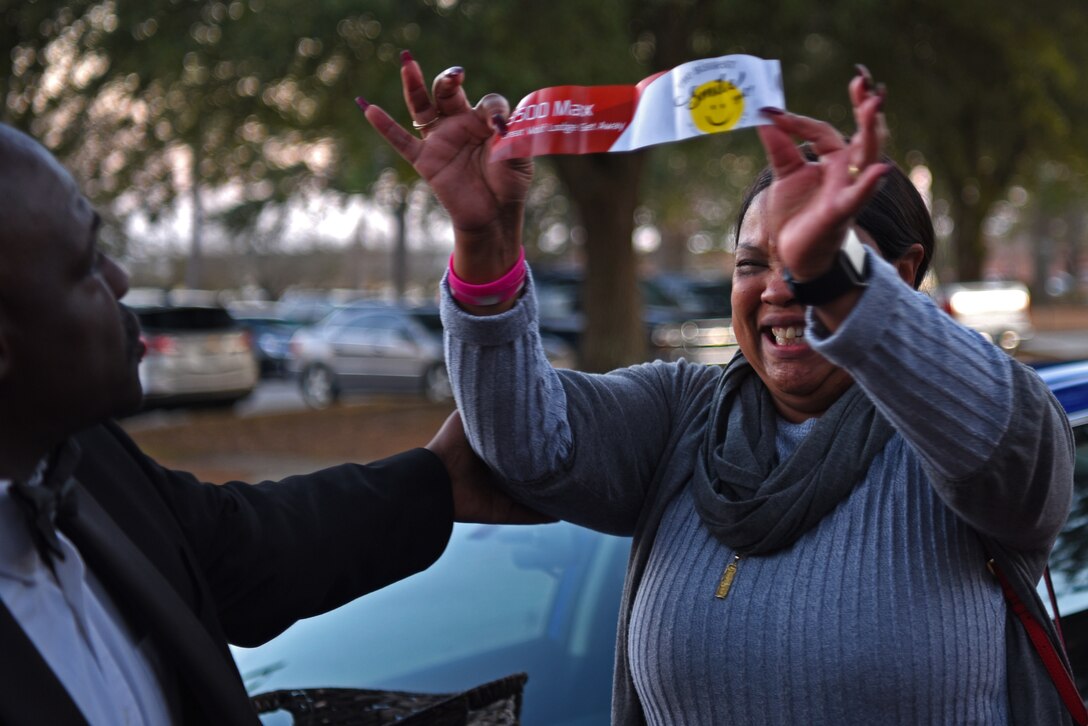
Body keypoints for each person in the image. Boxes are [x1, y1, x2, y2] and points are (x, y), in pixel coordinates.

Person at [364, 54, 1077, 724]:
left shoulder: (969, 439)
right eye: (751, 263)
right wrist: (486, 248)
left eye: (811, 257)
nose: (777, 289)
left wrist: (843, 279)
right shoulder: (681, 415)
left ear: (904, 270)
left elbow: (1013, 445)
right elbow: (527, 445)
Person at [0, 122, 546, 725]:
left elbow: (240, 548)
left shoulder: (85, 465)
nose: (120, 279)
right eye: (83, 265)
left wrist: (437, 482)